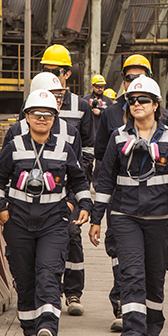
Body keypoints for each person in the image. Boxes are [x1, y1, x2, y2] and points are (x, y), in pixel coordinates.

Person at [89, 75, 168, 336]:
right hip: (125, 216)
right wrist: (97, 219)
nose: (136, 104)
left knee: (155, 274)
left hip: (159, 217)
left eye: (143, 100)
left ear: (156, 105)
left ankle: (153, 330)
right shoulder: (118, 138)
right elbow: (105, 181)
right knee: (131, 274)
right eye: (132, 100)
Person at [0, 89, 92, 336]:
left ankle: (47, 327)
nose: (42, 119)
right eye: (37, 114)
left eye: (48, 115)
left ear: (55, 118)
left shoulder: (63, 147)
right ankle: (30, 329)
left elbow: (79, 181)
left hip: (53, 221)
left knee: (48, 271)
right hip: (18, 221)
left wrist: (84, 205)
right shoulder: (14, 146)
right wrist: (2, 210)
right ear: (27, 117)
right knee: (24, 277)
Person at [34, 44, 95, 316]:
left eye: (55, 72)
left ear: (67, 74)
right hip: (40, 190)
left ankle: (72, 292)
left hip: (69, 188)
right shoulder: (34, 105)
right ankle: (48, 291)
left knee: (71, 235)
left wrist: (77, 196)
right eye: (46, 71)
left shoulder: (80, 107)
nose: (51, 76)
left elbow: (88, 151)